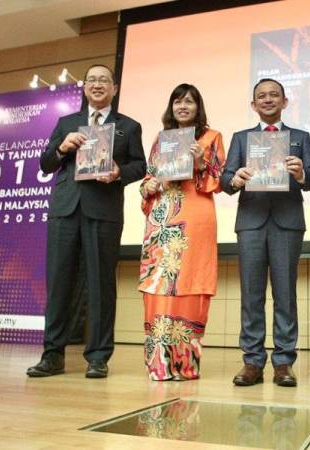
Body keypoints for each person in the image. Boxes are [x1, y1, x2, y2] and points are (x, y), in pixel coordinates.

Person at [27, 64, 146, 378]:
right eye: (91, 80)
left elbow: (140, 166)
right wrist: (62, 147)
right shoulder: (66, 123)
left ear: (114, 88)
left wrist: (119, 172)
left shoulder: (129, 126)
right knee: (59, 283)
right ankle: (52, 355)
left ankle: (98, 357)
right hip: (65, 209)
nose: (97, 85)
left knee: (101, 285)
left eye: (103, 80)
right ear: (84, 87)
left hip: (104, 211)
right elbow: (45, 163)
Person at [222, 78, 310, 387]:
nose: (267, 100)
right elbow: (225, 179)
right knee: (251, 294)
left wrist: (302, 173)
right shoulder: (241, 138)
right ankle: (252, 362)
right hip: (251, 221)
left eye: (273, 95)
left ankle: (283, 362)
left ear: (284, 102)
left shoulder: (299, 138)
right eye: (261, 96)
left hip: (287, 222)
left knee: (285, 293)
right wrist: (235, 180)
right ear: (253, 105)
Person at [138, 83, 225, 381]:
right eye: (177, 101)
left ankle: (185, 365)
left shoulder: (212, 138)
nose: (183, 106)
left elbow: (219, 182)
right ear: (171, 107)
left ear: (198, 107)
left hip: (196, 218)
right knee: (159, 287)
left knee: (191, 285)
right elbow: (149, 180)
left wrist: (201, 162)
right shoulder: (161, 140)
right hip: (162, 221)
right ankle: (159, 365)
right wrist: (147, 186)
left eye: (189, 101)